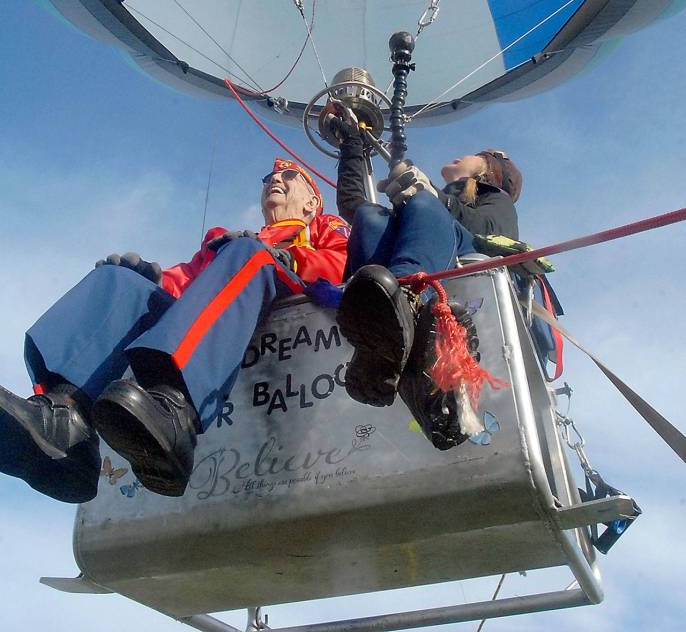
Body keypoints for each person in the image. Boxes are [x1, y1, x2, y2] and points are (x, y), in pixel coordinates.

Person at [0, 159, 348, 502]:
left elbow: (342, 262)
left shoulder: (321, 228)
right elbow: (184, 283)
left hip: (287, 293)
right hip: (226, 303)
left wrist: (291, 258)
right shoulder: (229, 243)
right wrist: (153, 280)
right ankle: (66, 421)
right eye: (270, 177)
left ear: (311, 202)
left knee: (249, 254)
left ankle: (174, 411)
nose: (275, 180)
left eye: (289, 175)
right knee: (121, 282)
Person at [331, 116, 522, 447]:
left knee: (421, 204)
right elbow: (353, 207)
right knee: (370, 217)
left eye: (477, 154)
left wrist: (433, 197)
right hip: (422, 249)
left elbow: (491, 232)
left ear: (489, 168)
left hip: (461, 253)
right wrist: (351, 147)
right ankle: (387, 329)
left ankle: (400, 303)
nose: (461, 155)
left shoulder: (495, 199)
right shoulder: (430, 205)